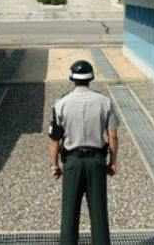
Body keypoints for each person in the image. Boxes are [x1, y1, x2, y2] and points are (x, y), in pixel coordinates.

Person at [48, 60, 119, 245]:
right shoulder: (106, 102)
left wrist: (55, 165)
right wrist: (112, 162)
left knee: (70, 214)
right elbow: (113, 137)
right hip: (97, 161)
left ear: (72, 78)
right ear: (91, 78)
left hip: (72, 162)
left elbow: (55, 139)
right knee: (99, 213)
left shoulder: (60, 104)